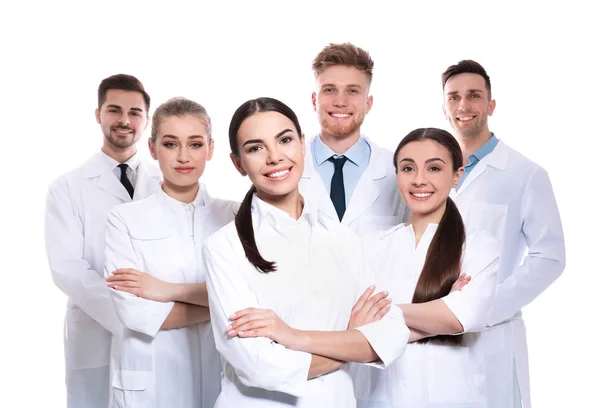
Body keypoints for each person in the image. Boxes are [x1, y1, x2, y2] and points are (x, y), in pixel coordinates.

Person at [202, 96, 409, 408]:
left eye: (284, 140)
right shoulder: (224, 247)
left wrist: (290, 336)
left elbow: (391, 334)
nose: (275, 157)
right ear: (238, 163)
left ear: (301, 143)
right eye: (256, 148)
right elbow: (258, 367)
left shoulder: (342, 238)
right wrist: (351, 341)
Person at [441, 60, 566, 408]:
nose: (463, 106)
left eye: (474, 96)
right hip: (431, 337)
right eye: (454, 97)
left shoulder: (525, 174)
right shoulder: (432, 173)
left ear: (490, 106)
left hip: (491, 340)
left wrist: (485, 306)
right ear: (444, 107)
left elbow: (550, 257)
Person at [103, 97, 239, 407]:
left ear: (211, 148)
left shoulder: (234, 217)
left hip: (220, 378)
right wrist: (223, 308)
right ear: (152, 149)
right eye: (170, 144)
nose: (183, 157)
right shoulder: (124, 220)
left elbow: (256, 296)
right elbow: (134, 312)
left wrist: (165, 291)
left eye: (194, 144)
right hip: (152, 381)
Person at [354, 128, 499, 407]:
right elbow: (351, 328)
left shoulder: (478, 246)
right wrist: (437, 309)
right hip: (380, 400)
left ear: (457, 175)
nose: (419, 180)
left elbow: (459, 319)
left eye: (434, 168)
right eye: (408, 168)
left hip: (452, 397)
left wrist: (383, 314)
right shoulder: (369, 246)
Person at [44, 74, 161, 408]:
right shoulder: (67, 188)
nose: (124, 120)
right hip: (96, 329)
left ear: (146, 120)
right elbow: (67, 268)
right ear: (98, 114)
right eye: (114, 110)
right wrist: (132, 315)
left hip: (160, 330)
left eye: (135, 112)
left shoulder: (164, 181)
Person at [299, 43, 408, 234]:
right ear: (314, 100)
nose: (340, 102)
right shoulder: (289, 168)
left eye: (352, 91)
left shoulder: (396, 170)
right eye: (330, 90)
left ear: (368, 103)